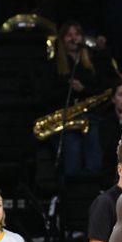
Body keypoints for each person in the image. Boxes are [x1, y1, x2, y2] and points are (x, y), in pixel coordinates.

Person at [43, 21, 107, 175]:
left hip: (91, 116)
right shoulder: (53, 65)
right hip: (67, 118)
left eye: (77, 35)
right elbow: (46, 95)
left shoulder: (93, 63)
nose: (73, 39)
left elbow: (103, 89)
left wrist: (84, 89)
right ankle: (72, 190)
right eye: (69, 35)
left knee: (94, 149)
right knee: (72, 150)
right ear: (62, 39)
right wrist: (68, 88)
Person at [100, 83, 122, 171]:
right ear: (113, 99)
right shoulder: (105, 121)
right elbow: (110, 151)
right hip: (112, 169)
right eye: (121, 95)